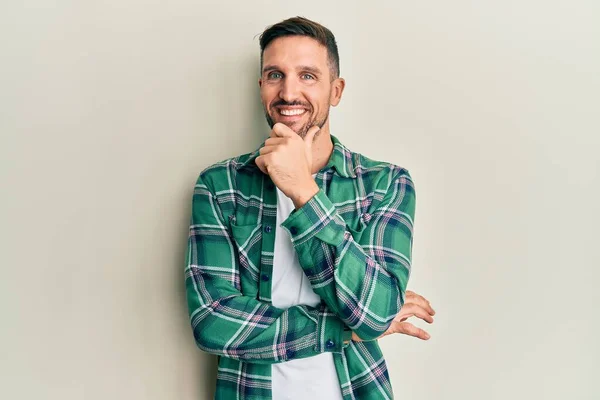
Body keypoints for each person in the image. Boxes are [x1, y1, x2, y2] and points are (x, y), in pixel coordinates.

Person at [184, 16, 435, 400]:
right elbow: (212, 322)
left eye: (307, 76)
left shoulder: (385, 183)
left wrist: (304, 191)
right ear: (261, 86)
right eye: (274, 75)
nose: (288, 93)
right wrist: (343, 329)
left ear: (336, 90)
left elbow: (375, 313)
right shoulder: (221, 186)